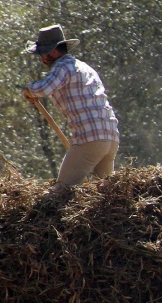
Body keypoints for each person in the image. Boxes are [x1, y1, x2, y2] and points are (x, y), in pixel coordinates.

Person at [22, 25, 120, 189]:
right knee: (105, 197)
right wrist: (34, 94)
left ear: (53, 51)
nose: (41, 60)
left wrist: (28, 90)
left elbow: (44, 88)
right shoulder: (84, 68)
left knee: (61, 192)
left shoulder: (63, 67)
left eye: (43, 54)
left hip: (91, 138)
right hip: (110, 138)